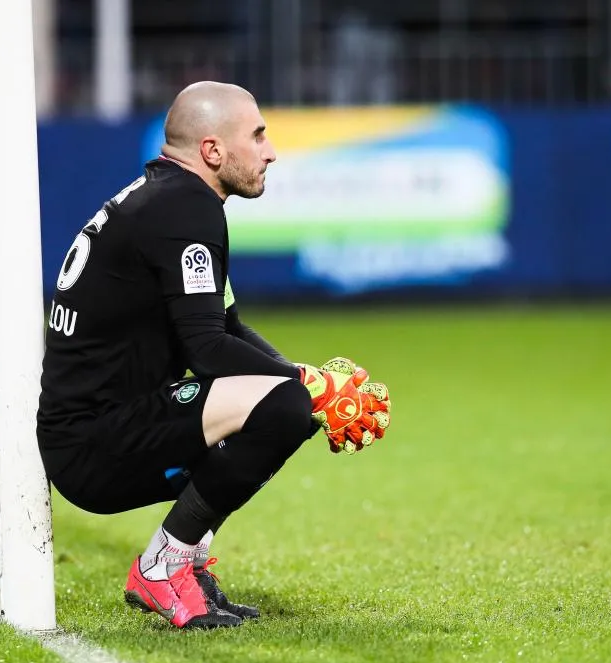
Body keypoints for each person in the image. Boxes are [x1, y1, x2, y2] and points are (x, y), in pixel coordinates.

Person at [36, 81, 391, 630]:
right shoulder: (186, 209)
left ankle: (188, 565)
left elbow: (225, 326)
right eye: (257, 135)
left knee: (285, 401)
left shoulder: (166, 199)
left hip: (99, 430)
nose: (270, 150)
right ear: (212, 151)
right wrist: (308, 387)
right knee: (284, 409)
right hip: (95, 444)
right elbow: (206, 350)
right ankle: (162, 566)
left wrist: (308, 379)